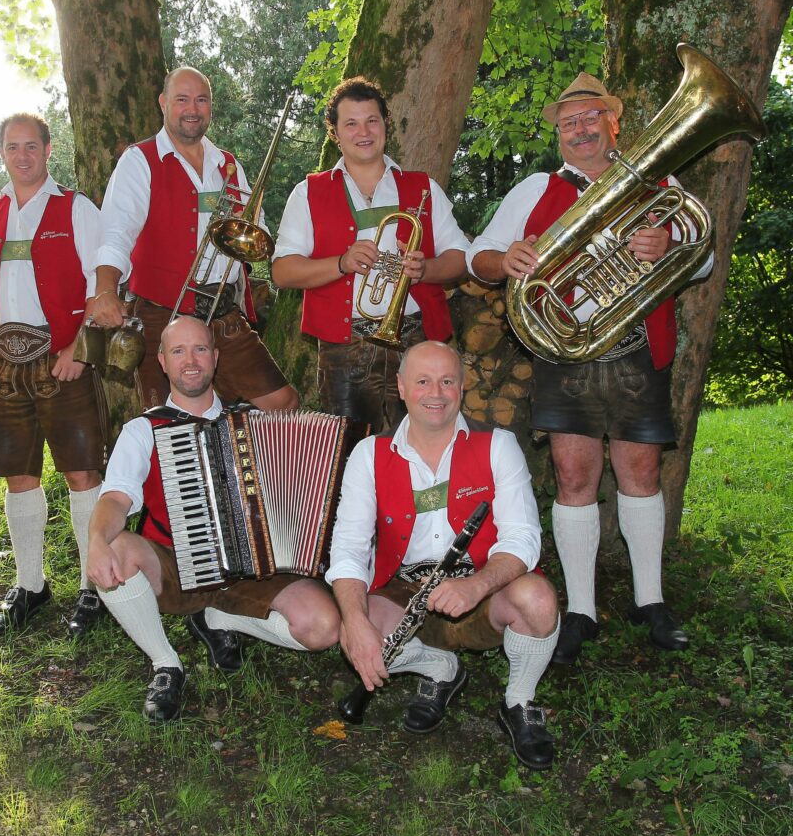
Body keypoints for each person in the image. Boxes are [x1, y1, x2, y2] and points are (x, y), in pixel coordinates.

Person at [467, 71, 711, 664]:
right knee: (575, 478)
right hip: (567, 351)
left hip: (631, 348)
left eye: (590, 118)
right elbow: (478, 257)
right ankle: (581, 609)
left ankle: (650, 601)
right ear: (559, 134)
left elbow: (702, 263)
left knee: (641, 472)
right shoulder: (535, 189)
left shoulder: (658, 183)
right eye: (569, 122)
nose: (580, 129)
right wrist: (509, 258)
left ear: (613, 123)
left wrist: (669, 248)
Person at [86, 315, 339, 724]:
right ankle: (166, 664)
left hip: (255, 569)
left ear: (215, 358)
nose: (191, 360)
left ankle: (216, 616)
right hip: (173, 564)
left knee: (324, 628)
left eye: (200, 349)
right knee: (116, 547)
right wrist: (96, 541)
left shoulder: (255, 425)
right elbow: (116, 498)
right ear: (163, 362)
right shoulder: (143, 429)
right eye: (179, 351)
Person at [328, 341, 560, 770]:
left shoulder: (498, 445)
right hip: (404, 589)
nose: (435, 392)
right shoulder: (368, 454)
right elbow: (348, 547)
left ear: (462, 386)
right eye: (422, 381)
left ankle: (519, 700)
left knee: (539, 600)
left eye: (447, 381)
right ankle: (440, 668)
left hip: (481, 583)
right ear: (401, 387)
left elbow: (524, 538)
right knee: (351, 625)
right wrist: (355, 619)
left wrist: (477, 585)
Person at [0, 113, 108, 641]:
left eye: (31, 146)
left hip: (61, 355)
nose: (22, 155)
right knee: (19, 473)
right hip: (4, 363)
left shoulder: (76, 208)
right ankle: (31, 584)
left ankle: (96, 586)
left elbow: (105, 282)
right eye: (12, 147)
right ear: (1, 152)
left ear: (48, 150)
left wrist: (82, 349)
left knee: (81, 472)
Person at [88, 66, 298, 412]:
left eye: (201, 100)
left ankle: (238, 464)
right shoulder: (139, 161)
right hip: (162, 315)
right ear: (163, 103)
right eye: (182, 99)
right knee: (171, 424)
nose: (192, 109)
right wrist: (106, 290)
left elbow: (253, 231)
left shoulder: (229, 165)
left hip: (223, 314)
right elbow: (116, 232)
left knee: (282, 403)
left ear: (211, 107)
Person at [272, 75, 469, 432]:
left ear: (385, 125)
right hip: (344, 345)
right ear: (335, 132)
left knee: (426, 444)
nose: (363, 131)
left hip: (416, 339)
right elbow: (283, 271)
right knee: (350, 451)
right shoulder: (308, 192)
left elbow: (460, 257)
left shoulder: (422, 186)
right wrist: (341, 263)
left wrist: (428, 269)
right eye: (351, 123)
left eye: (371, 120)